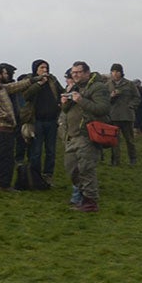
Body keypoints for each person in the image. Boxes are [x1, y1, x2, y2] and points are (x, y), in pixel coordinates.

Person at [57, 60, 113, 212]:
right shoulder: (75, 87)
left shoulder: (98, 87)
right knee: (71, 168)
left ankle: (90, 202)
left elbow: (102, 108)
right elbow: (67, 110)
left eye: (78, 72)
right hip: (72, 135)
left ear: (87, 73)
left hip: (87, 134)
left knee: (86, 169)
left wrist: (81, 100)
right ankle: (83, 196)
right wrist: (64, 102)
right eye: (73, 73)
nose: (74, 75)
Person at [105, 65, 139, 165]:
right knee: (114, 140)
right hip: (113, 116)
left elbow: (137, 97)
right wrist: (111, 97)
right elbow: (104, 100)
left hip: (127, 116)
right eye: (113, 71)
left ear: (121, 72)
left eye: (117, 71)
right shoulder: (107, 85)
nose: (115, 74)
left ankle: (133, 159)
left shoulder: (129, 84)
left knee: (130, 140)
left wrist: (131, 106)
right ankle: (115, 160)